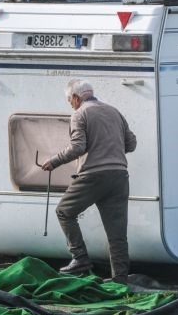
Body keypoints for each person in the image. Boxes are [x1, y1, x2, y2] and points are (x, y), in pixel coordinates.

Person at [42, 79, 136, 283]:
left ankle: (80, 258)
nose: (70, 104)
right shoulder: (114, 111)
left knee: (64, 212)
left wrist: (54, 162)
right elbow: (131, 143)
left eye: (69, 100)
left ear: (76, 98)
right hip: (119, 175)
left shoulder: (80, 113)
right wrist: (111, 149)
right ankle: (120, 279)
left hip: (93, 176)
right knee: (117, 233)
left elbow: (78, 147)